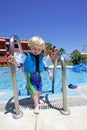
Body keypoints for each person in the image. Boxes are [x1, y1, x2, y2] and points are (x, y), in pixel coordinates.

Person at [8, 35, 53, 114]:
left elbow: (45, 66)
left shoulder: (41, 57)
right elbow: (19, 64)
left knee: (39, 91)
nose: (36, 50)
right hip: (30, 78)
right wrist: (14, 61)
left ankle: (38, 99)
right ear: (30, 47)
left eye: (39, 49)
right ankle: (36, 105)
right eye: (34, 48)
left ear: (41, 49)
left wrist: (50, 73)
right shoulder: (26, 56)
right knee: (34, 92)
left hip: (39, 78)